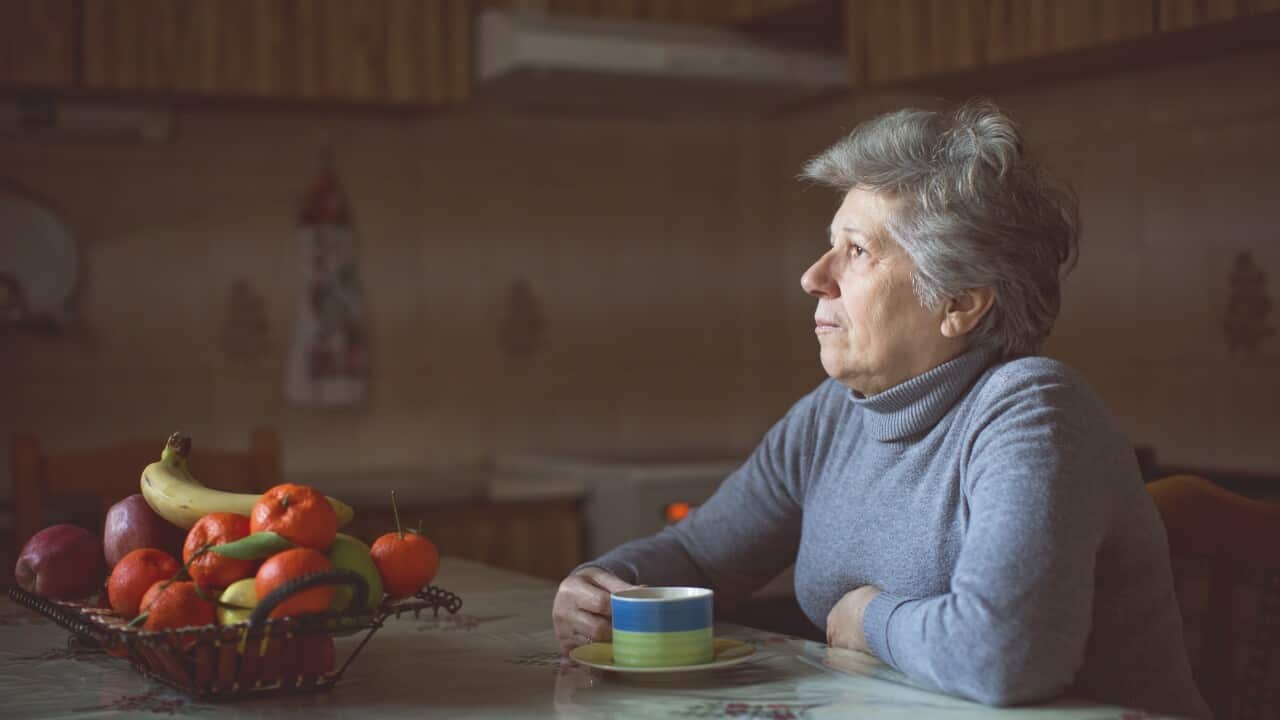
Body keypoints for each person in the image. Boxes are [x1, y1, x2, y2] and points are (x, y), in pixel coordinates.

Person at [551, 99, 1209, 718]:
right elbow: (699, 557)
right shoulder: (833, 414)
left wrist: (869, 617)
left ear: (959, 302)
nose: (815, 276)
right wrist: (604, 587)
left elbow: (1008, 655)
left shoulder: (1032, 412)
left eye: (857, 250)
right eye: (829, 243)